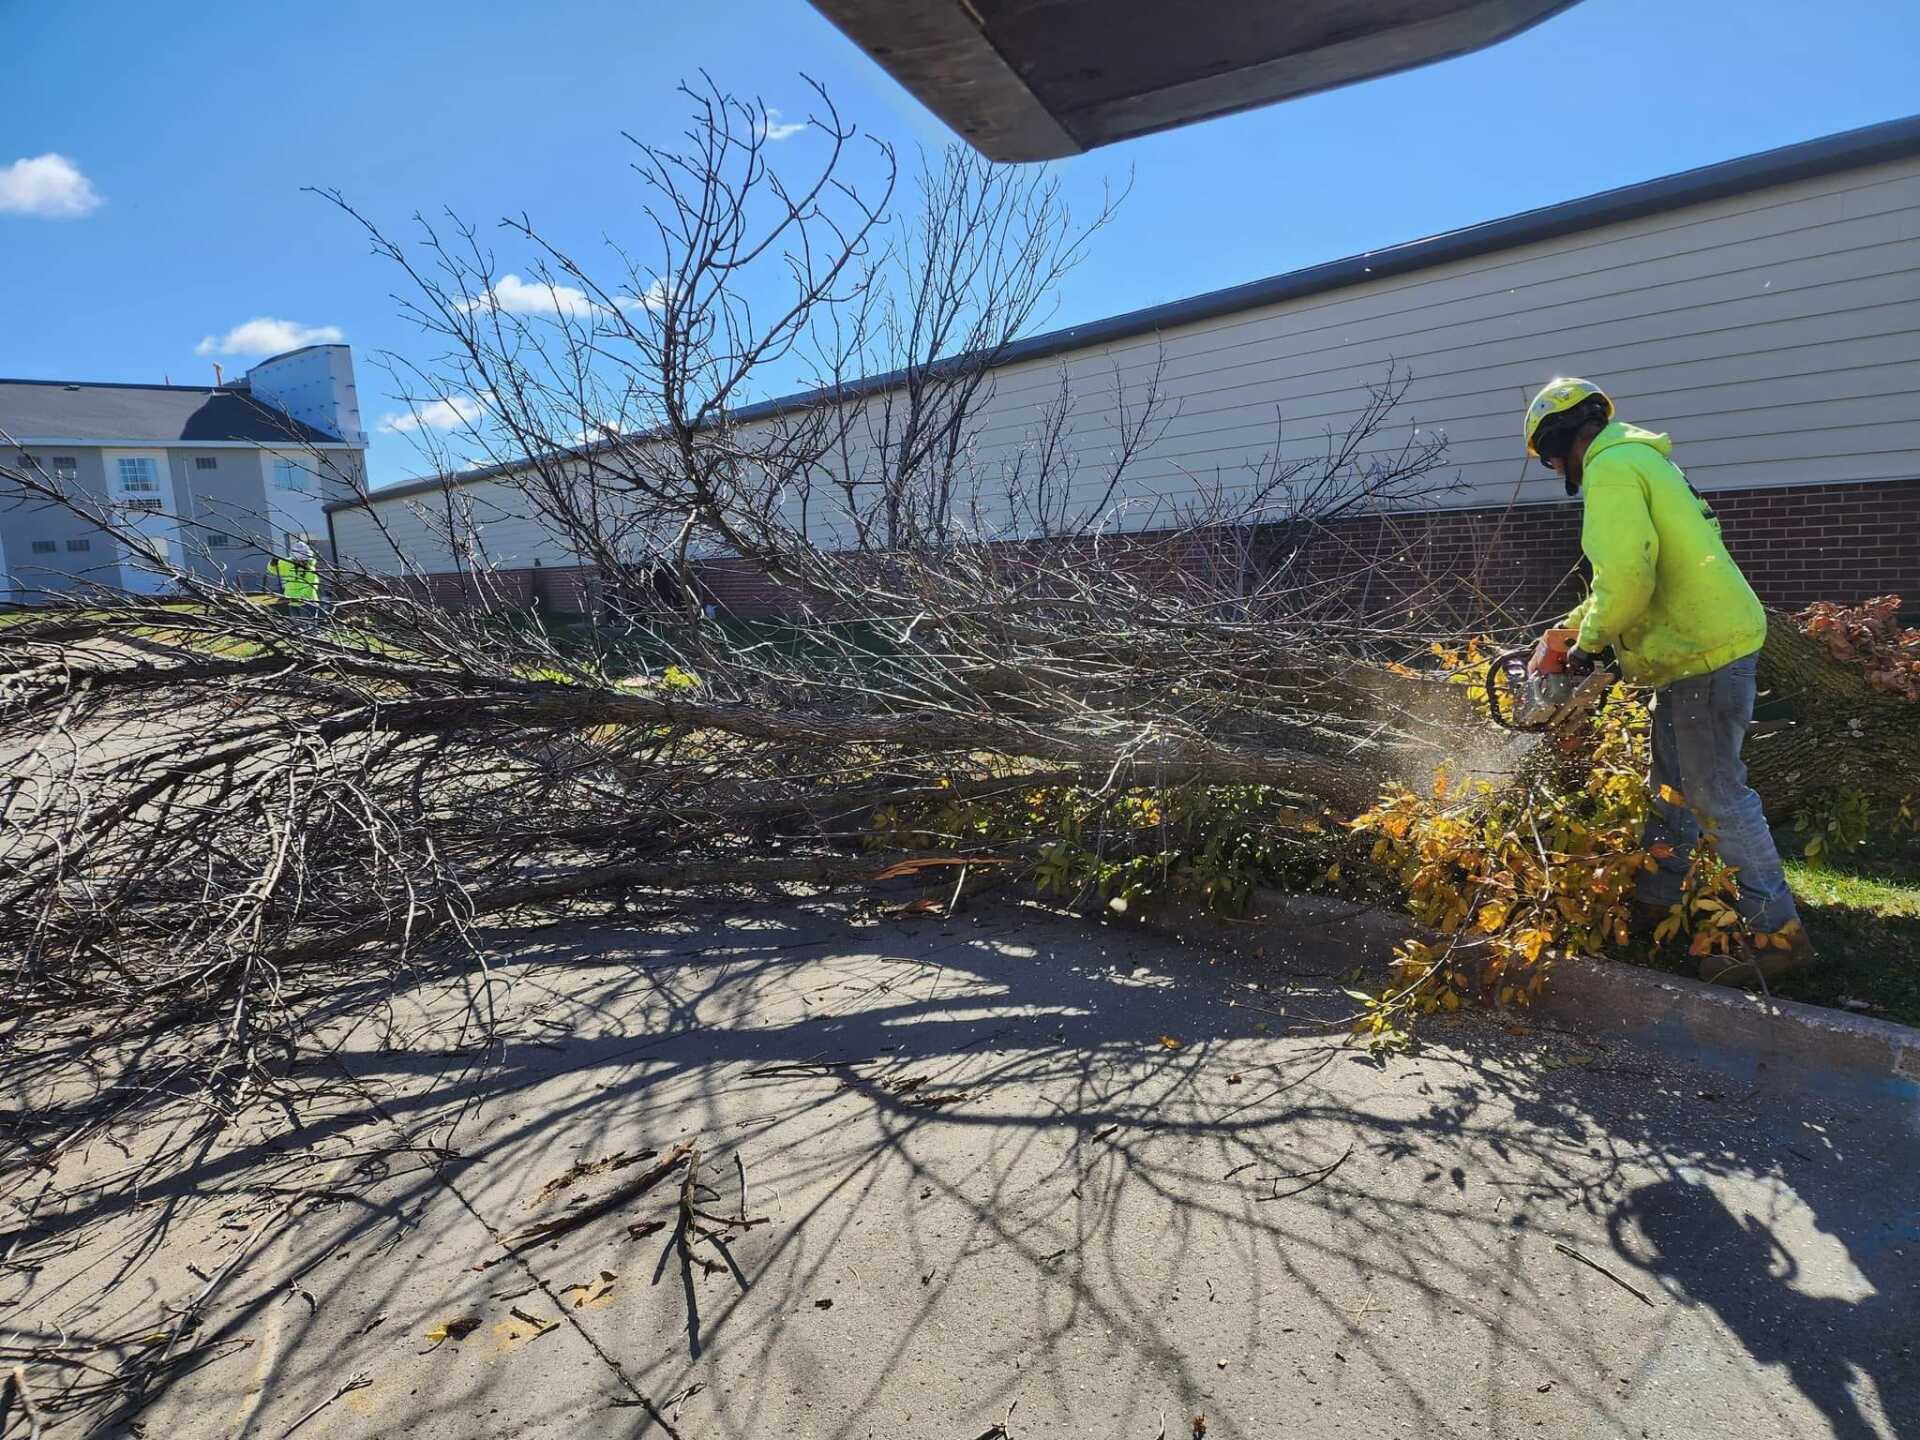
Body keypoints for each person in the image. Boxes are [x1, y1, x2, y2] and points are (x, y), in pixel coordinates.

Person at [1523, 377, 1816, 986]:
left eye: (1549, 460)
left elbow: (1629, 578)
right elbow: (1627, 578)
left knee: (1715, 792)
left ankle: (1778, 935)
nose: (1555, 470)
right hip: (1695, 647)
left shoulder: (1610, 470)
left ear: (1557, 441)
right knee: (1671, 785)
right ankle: (1656, 898)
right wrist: (1567, 631)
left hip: (1701, 651)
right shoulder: (1643, 460)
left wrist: (1588, 647)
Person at [267, 540, 321, 624]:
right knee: (297, 626)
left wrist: (300, 599)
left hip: (308, 603)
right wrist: (272, 564)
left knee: (309, 626)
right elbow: (273, 570)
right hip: (292, 601)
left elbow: (312, 587)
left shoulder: (310, 570)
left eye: (303, 560)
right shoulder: (287, 564)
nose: (302, 562)